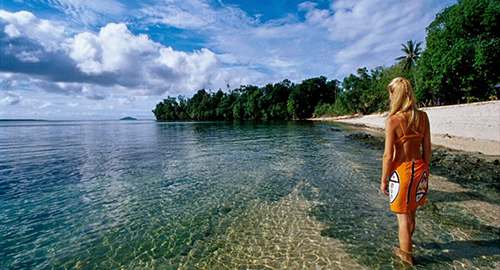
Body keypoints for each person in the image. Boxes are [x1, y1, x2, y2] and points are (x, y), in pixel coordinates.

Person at [380, 77, 431, 265]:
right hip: (420, 169)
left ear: (395, 95)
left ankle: (405, 257)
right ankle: (408, 246)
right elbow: (427, 149)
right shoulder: (423, 117)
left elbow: (387, 155)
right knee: (412, 213)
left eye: (390, 93)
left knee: (402, 218)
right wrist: (425, 171)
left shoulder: (393, 121)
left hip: (401, 173)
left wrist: (384, 179)